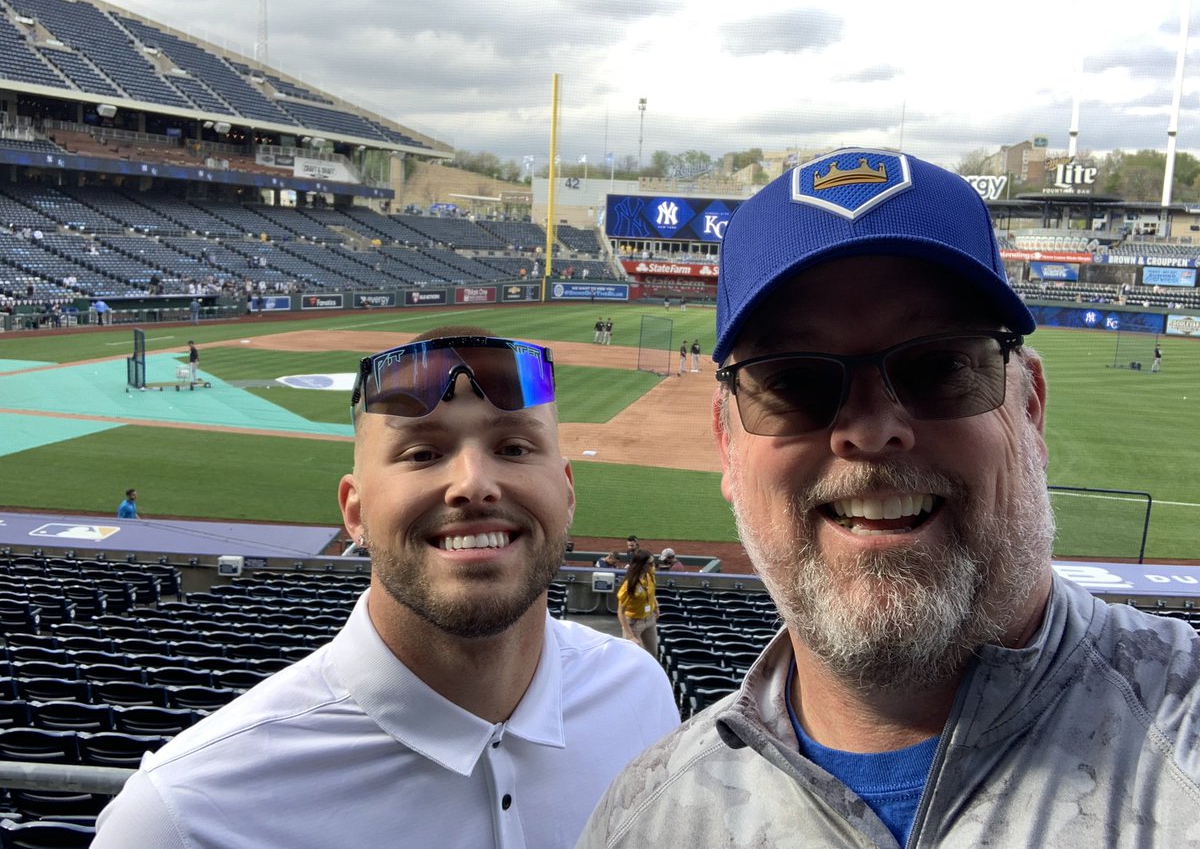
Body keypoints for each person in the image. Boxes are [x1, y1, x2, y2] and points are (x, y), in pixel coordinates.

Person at [579, 148, 1200, 846]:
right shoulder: (646, 820)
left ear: (1029, 413)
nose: (871, 432)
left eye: (938, 365)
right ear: (727, 445)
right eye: (794, 381)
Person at [95, 326, 678, 848]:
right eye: (422, 453)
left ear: (568, 492)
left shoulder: (641, 694)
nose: (473, 485)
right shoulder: (178, 819)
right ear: (355, 512)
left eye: (514, 448)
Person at [616, 548, 659, 656]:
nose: (653, 565)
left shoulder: (650, 575)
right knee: (634, 657)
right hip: (634, 623)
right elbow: (621, 612)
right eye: (650, 563)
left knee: (653, 654)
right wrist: (630, 636)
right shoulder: (629, 585)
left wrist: (656, 606)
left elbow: (651, 592)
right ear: (642, 565)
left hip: (650, 620)